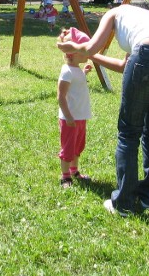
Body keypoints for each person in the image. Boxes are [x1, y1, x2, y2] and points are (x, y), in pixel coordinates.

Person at [57, 4, 149, 216]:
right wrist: (91, 56)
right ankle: (148, 198)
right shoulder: (144, 19)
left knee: (129, 132)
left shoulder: (113, 14)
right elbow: (123, 65)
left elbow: (89, 49)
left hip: (148, 55)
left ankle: (123, 203)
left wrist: (71, 47)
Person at [57, 27, 94, 188]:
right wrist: (68, 116)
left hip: (81, 116)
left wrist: (84, 73)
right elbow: (61, 96)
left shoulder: (76, 70)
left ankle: (74, 170)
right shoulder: (66, 72)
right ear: (72, 53)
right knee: (68, 147)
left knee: (78, 146)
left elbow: (77, 84)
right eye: (83, 50)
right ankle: (65, 177)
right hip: (70, 118)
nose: (87, 53)